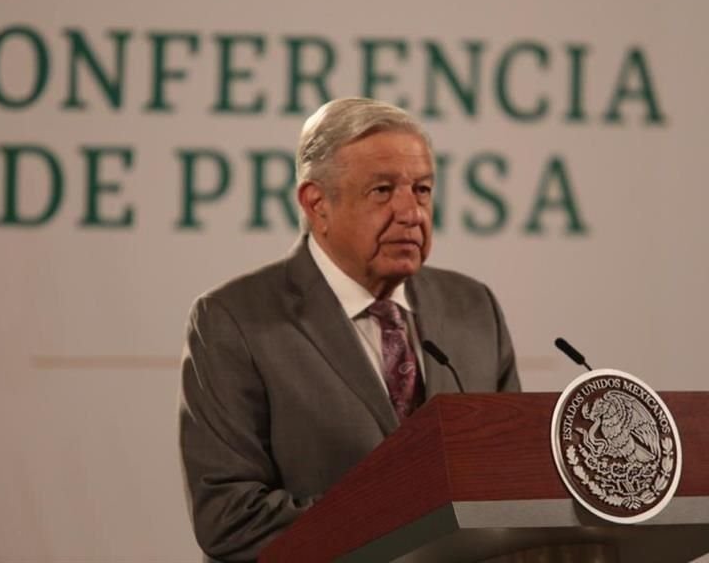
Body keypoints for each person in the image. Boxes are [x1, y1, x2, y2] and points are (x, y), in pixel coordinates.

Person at [178, 98, 521, 562]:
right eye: (382, 191)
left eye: (421, 190)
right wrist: (402, 517)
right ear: (316, 203)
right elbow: (229, 517)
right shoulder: (234, 321)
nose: (410, 213)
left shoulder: (473, 308)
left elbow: (513, 482)